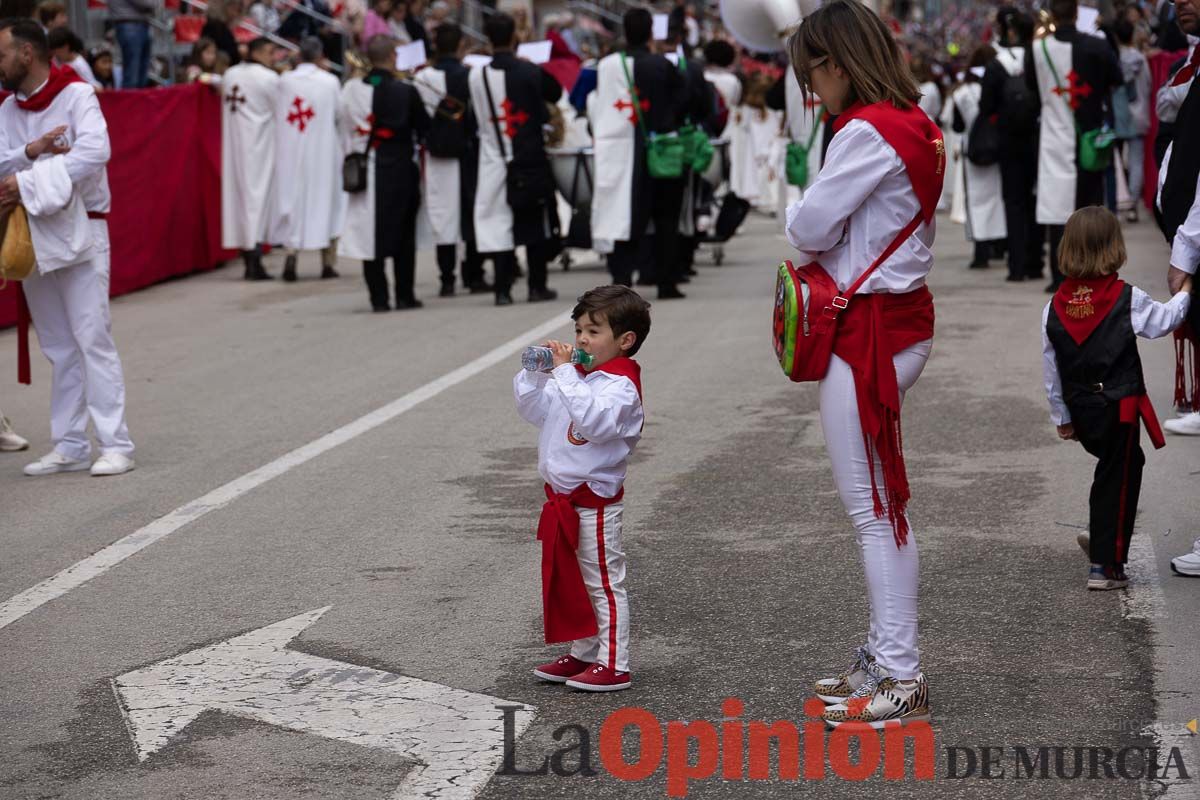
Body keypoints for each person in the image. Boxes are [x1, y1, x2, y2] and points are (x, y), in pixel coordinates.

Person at [784, 0, 944, 728]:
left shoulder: (865, 131)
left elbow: (809, 228)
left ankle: (901, 672)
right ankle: (886, 656)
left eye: (813, 71)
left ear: (839, 61)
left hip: (871, 329)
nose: (812, 88)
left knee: (874, 512)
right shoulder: (915, 120)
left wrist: (809, 213)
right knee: (880, 507)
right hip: (894, 320)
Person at [0, 18, 135, 476]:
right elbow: (2, 164)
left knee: (92, 338)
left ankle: (116, 443)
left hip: (82, 231)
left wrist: (26, 180)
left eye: (1, 55)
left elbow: (96, 151)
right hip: (34, 233)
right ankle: (70, 443)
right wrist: (32, 154)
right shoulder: (7, 110)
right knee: (58, 345)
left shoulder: (77, 94)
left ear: (25, 54)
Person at [1042, 207, 1189, 589]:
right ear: (1114, 247)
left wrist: (1062, 415)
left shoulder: (1054, 306)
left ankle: (1102, 533)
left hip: (1082, 410)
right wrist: (1186, 292)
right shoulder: (1127, 298)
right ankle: (1106, 566)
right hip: (1118, 409)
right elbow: (1163, 322)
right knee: (1118, 479)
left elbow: (1051, 368)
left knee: (1117, 468)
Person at [515, 285, 650, 693]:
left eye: (593, 332)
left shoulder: (620, 387)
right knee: (573, 579)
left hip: (595, 504)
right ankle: (585, 651)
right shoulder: (578, 378)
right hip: (563, 502)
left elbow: (593, 423)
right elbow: (535, 411)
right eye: (578, 331)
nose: (581, 341)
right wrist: (535, 374)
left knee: (603, 583)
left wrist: (566, 373)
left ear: (625, 341)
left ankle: (614, 663)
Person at [1027, 0, 1124, 293]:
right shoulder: (1095, 47)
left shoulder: (1038, 49)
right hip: (1088, 139)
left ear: (1054, 13)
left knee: (1058, 210)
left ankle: (1060, 276)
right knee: (1089, 207)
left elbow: (1032, 87)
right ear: (1077, 13)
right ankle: (1092, 271)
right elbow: (1117, 78)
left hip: (1054, 136)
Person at [590, 8, 686, 299]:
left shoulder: (606, 66)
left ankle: (620, 278)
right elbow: (682, 101)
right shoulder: (661, 65)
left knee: (622, 213)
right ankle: (666, 281)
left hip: (619, 150)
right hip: (660, 150)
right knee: (666, 217)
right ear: (649, 33)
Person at [468, 12, 561, 306]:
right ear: (514, 38)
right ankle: (536, 285)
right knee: (533, 222)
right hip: (529, 156)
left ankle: (502, 289)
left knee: (498, 224)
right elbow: (554, 93)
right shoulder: (528, 72)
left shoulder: (476, 75)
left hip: (492, 158)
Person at [337, 34, 429, 311]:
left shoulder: (350, 89)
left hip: (365, 168)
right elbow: (423, 129)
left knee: (370, 234)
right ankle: (404, 295)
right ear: (393, 57)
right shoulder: (405, 90)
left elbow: (342, 124)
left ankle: (378, 298)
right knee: (403, 234)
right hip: (399, 167)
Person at [413, 22, 489, 297]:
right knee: (470, 211)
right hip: (468, 151)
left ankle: (447, 278)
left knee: (443, 215)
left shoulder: (422, 78)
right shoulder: (470, 75)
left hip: (438, 154)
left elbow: (420, 118)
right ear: (460, 47)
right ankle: (475, 275)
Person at [271, 36, 342, 282]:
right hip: (322, 151)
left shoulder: (285, 81)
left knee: (293, 198)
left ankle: (291, 254)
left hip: (291, 149)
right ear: (321, 55)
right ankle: (327, 262)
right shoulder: (330, 81)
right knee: (325, 201)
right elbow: (338, 113)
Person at [979, 6, 1042, 282]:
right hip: (1036, 137)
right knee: (1035, 199)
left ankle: (1016, 266)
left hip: (1008, 140)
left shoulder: (995, 64)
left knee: (1013, 202)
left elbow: (985, 107)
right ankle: (1036, 262)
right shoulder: (1037, 57)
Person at [221, 37, 279, 280]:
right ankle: (254, 256)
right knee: (257, 197)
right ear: (256, 53)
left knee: (240, 198)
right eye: (269, 52)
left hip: (235, 144)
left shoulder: (230, 74)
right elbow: (280, 106)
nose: (272, 57)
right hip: (259, 144)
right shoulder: (268, 78)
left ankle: (248, 255)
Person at [949, 46, 1007, 270]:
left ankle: (980, 251)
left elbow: (957, 125)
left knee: (975, 201)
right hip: (997, 149)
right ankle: (1000, 244)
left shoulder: (962, 93)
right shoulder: (996, 87)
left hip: (972, 151)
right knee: (998, 198)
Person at [1114, 18, 1151, 223]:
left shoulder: (1114, 59)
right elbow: (1147, 84)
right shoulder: (1140, 59)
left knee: (1116, 161)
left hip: (1119, 116)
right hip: (1138, 115)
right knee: (1136, 162)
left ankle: (1117, 202)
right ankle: (1132, 206)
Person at [108, 0, 154, 88]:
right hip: (129, 24)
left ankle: (138, 101)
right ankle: (129, 101)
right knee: (132, 76)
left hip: (137, 24)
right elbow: (146, 3)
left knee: (141, 75)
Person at [202, 0, 243, 67]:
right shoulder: (213, 26)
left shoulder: (224, 28)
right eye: (233, 9)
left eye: (238, 11)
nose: (234, 14)